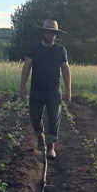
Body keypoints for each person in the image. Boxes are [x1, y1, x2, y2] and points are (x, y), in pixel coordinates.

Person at [19, 19, 71, 159]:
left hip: (53, 90)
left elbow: (65, 69)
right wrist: (22, 86)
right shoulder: (34, 48)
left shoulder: (60, 50)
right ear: (44, 32)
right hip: (36, 89)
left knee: (54, 117)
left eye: (53, 33)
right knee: (34, 117)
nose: (51, 35)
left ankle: (51, 147)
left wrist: (68, 90)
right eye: (48, 32)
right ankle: (40, 136)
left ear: (56, 34)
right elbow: (26, 67)